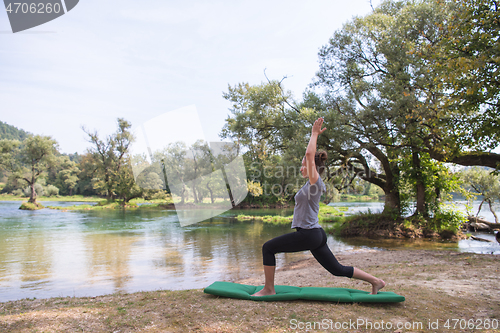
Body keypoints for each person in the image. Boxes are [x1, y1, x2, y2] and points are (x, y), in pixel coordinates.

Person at [252, 117, 385, 296]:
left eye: (303, 166)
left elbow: (309, 156)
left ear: (311, 167)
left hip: (308, 234)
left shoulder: (316, 183)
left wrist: (314, 134)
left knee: (268, 248)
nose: (301, 168)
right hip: (316, 234)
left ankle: (269, 289)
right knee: (337, 269)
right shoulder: (310, 185)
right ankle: (376, 282)